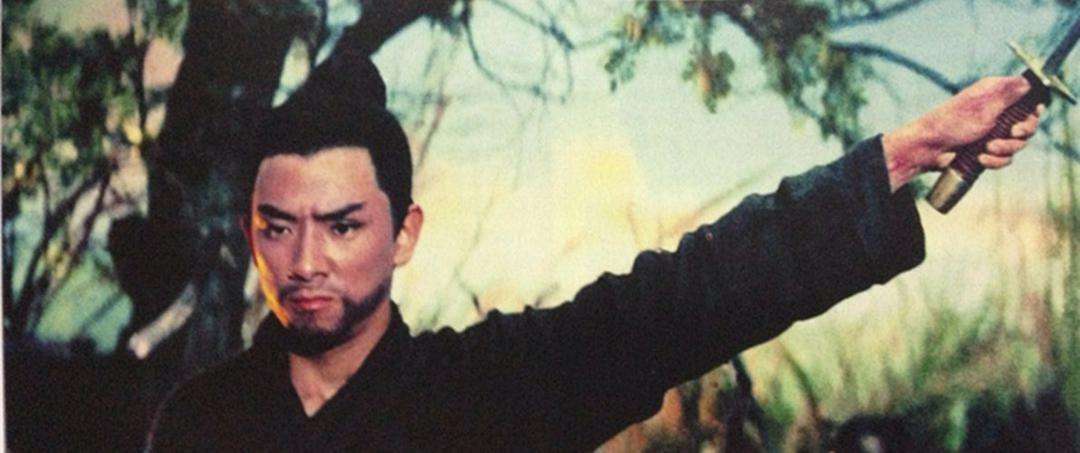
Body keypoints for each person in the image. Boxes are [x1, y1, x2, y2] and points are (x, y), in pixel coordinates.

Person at [147, 62, 1043, 450]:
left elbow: (688, 297)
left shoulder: (484, 393)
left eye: (342, 225)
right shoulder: (201, 424)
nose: (305, 259)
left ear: (405, 232)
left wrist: (905, 153)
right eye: (278, 226)